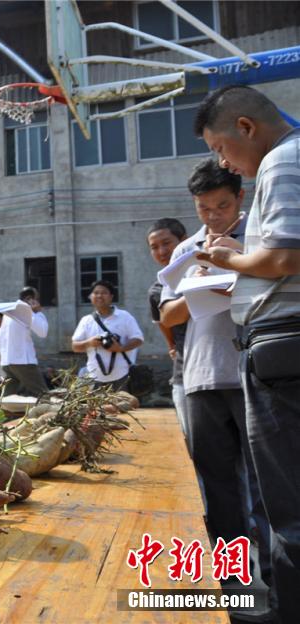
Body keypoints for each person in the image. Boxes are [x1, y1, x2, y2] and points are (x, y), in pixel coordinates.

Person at [194, 85, 300, 621]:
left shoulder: (283, 160)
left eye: (220, 148)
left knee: (287, 503)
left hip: (284, 349)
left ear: (246, 127)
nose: (222, 162)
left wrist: (230, 259)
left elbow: (284, 257)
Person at [160, 159, 271, 596]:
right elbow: (167, 314)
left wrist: (236, 278)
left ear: (240, 198)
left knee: (265, 484)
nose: (212, 216)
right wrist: (198, 289)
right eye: (204, 209)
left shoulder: (261, 240)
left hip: (253, 373)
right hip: (202, 376)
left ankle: (279, 586)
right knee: (218, 486)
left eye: (221, 206)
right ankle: (235, 583)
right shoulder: (187, 250)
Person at [145, 218, 188, 439]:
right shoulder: (156, 289)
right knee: (196, 441)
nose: (162, 251)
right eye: (154, 247)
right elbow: (164, 323)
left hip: (225, 370)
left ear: (184, 241)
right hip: (184, 369)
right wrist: (172, 347)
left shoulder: (203, 273)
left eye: (167, 243)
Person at [71, 281, 144, 390]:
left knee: (122, 406)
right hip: (94, 377)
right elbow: (75, 346)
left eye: (104, 293)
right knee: (94, 407)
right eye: (96, 293)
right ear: (91, 297)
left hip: (122, 375)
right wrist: (90, 342)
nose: (99, 296)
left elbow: (138, 339)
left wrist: (120, 348)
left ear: (111, 297)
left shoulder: (124, 316)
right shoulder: (86, 320)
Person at [0, 286, 49, 397]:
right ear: (30, 299)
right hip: (23, 362)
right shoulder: (25, 310)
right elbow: (43, 332)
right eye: (36, 299)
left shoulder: (10, 311)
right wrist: (37, 312)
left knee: (7, 398)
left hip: (7, 362)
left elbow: (0, 338)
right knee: (43, 395)